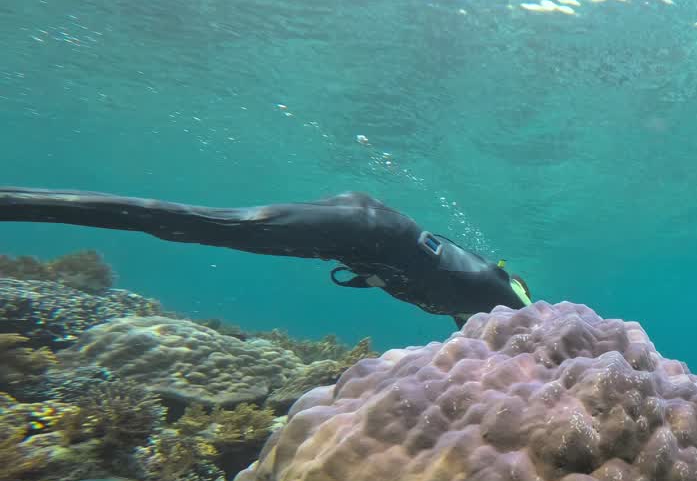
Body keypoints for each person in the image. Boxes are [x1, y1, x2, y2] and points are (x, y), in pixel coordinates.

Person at [0, 187, 532, 327]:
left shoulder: (463, 308)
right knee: (202, 224)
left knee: (204, 228)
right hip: (365, 227)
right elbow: (528, 311)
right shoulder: (496, 296)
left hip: (355, 233)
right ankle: (21, 204)